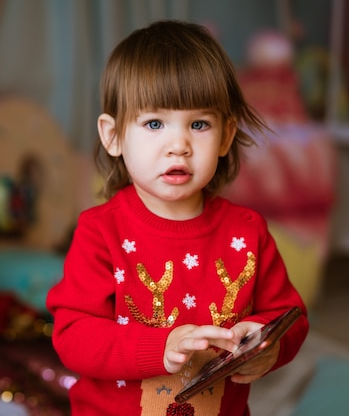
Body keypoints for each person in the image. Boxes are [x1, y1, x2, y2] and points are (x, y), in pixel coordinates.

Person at [46, 20, 309, 415]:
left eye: (199, 124)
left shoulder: (247, 231)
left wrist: (266, 349)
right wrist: (161, 348)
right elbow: (73, 336)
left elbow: (290, 317)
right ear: (113, 136)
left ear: (224, 136)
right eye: (154, 123)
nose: (179, 146)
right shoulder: (101, 232)